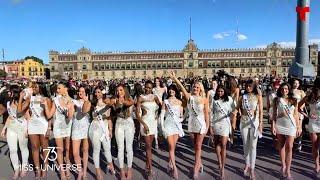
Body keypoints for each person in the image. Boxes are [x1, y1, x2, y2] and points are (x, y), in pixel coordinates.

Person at [170, 71, 209, 180]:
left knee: (198, 146)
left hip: (201, 124)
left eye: (197, 87)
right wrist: (174, 78)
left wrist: (207, 127)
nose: (195, 88)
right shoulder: (189, 97)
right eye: (194, 87)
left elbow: (207, 114)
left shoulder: (205, 99)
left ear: (200, 89)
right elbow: (181, 87)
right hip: (192, 124)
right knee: (195, 146)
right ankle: (200, 164)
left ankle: (196, 168)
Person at [18, 82, 52, 179]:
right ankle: (38, 170)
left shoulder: (46, 99)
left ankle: (44, 169)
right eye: (32, 87)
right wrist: (21, 97)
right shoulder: (30, 99)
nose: (33, 88)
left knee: (45, 148)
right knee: (34, 147)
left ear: (41, 88)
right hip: (32, 125)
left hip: (43, 125)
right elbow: (19, 112)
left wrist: (49, 128)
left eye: (35, 87)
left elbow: (49, 116)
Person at [43, 81, 74, 180]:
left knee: (67, 150)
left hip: (67, 127)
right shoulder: (55, 100)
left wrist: (69, 108)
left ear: (66, 89)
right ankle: (62, 172)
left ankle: (67, 168)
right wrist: (45, 106)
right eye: (57, 88)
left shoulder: (71, 100)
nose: (57, 90)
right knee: (60, 150)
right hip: (58, 127)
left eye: (59, 88)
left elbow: (69, 118)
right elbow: (49, 115)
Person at [234, 79, 263, 180]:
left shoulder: (258, 96)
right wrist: (236, 113)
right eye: (246, 86)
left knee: (253, 146)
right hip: (244, 122)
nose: (248, 88)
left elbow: (261, 111)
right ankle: (247, 163)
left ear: (253, 86)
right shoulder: (242, 97)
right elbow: (237, 108)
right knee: (246, 144)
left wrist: (261, 124)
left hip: (254, 122)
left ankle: (252, 169)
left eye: (250, 86)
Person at [271, 83, 301, 179]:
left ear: (289, 89)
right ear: (280, 90)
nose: (284, 90)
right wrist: (273, 126)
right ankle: (283, 165)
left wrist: (299, 126)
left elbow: (296, 114)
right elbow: (274, 114)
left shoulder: (294, 100)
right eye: (283, 89)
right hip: (280, 125)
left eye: (286, 88)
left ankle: (288, 170)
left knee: (290, 146)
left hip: (291, 125)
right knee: (281, 146)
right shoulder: (276, 100)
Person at [0, 85, 29, 179]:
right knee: (12, 150)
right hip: (11, 128)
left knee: (23, 148)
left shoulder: (25, 102)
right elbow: (10, 116)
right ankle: (16, 169)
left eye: (10, 91)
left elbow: (26, 116)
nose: (8, 93)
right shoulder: (8, 103)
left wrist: (27, 130)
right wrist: (4, 129)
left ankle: (24, 167)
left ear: (14, 92)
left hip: (22, 128)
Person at [136, 80, 161, 179]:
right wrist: (143, 124)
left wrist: (157, 115)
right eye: (146, 87)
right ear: (144, 87)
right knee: (148, 146)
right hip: (145, 123)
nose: (148, 89)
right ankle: (150, 169)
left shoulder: (155, 97)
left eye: (150, 87)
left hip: (153, 123)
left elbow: (161, 107)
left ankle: (146, 166)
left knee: (149, 147)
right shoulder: (140, 98)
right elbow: (138, 115)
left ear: (152, 88)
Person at [89, 86, 115, 180]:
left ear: (103, 93)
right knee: (96, 150)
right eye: (95, 92)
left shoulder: (107, 104)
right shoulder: (92, 104)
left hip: (105, 128)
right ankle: (98, 172)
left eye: (99, 92)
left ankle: (110, 165)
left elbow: (109, 118)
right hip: (95, 128)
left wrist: (111, 130)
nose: (97, 94)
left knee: (107, 149)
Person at [210, 85, 235, 179]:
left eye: (221, 91)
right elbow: (211, 112)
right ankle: (220, 163)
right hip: (216, 124)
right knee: (217, 144)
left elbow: (234, 109)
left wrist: (233, 116)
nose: (220, 93)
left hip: (225, 124)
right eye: (218, 91)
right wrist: (211, 126)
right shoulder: (214, 100)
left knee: (224, 144)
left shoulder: (229, 99)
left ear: (224, 91)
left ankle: (223, 168)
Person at [110, 84, 135, 180]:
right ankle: (121, 170)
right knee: (120, 148)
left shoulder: (130, 98)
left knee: (129, 148)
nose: (118, 92)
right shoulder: (115, 99)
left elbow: (130, 103)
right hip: (119, 124)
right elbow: (109, 102)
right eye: (117, 90)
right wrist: (112, 102)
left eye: (120, 90)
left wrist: (122, 101)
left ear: (124, 91)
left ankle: (129, 170)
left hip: (129, 124)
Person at [160, 84, 184, 179]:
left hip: (176, 126)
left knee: (173, 147)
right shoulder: (165, 102)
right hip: (168, 125)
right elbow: (162, 116)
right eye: (170, 89)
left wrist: (181, 119)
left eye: (173, 89)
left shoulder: (180, 102)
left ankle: (170, 163)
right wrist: (162, 128)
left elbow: (182, 116)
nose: (171, 91)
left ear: (176, 91)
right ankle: (175, 168)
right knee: (170, 146)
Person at [298, 78, 320, 176]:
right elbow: (298, 106)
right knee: (315, 146)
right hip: (313, 123)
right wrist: (307, 115)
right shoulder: (311, 95)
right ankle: (317, 166)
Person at [71, 86, 91, 180]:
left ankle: (85, 172)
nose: (80, 93)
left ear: (86, 93)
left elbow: (84, 111)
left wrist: (86, 100)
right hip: (76, 127)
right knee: (75, 152)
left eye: (83, 91)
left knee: (85, 151)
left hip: (86, 127)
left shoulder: (88, 102)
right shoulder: (74, 101)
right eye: (79, 91)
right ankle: (80, 171)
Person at [291, 78, 306, 152]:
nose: (296, 84)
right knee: (292, 127)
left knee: (299, 127)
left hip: (299, 111)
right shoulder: (289, 91)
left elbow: (304, 102)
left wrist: (300, 109)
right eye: (295, 83)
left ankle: (299, 144)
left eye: (297, 83)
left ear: (299, 84)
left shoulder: (301, 91)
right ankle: (292, 143)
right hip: (291, 112)